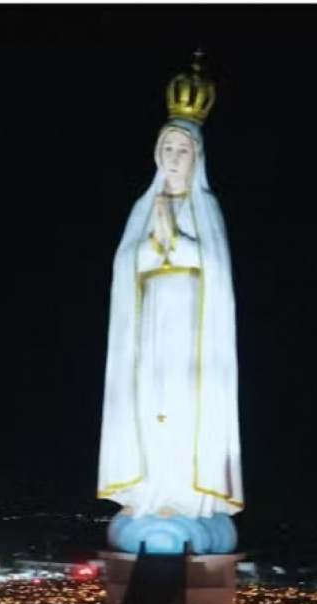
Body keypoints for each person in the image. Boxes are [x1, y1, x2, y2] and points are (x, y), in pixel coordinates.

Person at [97, 55, 243, 526]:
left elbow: (214, 268)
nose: (172, 158)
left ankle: (183, 495)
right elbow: (126, 264)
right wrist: (153, 240)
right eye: (167, 149)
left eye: (182, 150)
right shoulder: (145, 207)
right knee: (148, 404)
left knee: (183, 406)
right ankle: (148, 489)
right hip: (150, 328)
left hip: (190, 334)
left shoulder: (207, 207)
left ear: (196, 155)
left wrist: (174, 239)